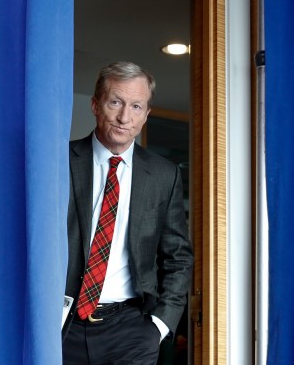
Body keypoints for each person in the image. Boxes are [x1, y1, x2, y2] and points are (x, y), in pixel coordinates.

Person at [62, 61, 193, 364]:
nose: (124, 117)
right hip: (62, 325)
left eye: (136, 106)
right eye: (115, 102)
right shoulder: (60, 161)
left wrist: (160, 325)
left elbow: (178, 256)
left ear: (146, 114)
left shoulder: (163, 174)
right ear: (95, 105)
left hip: (130, 330)